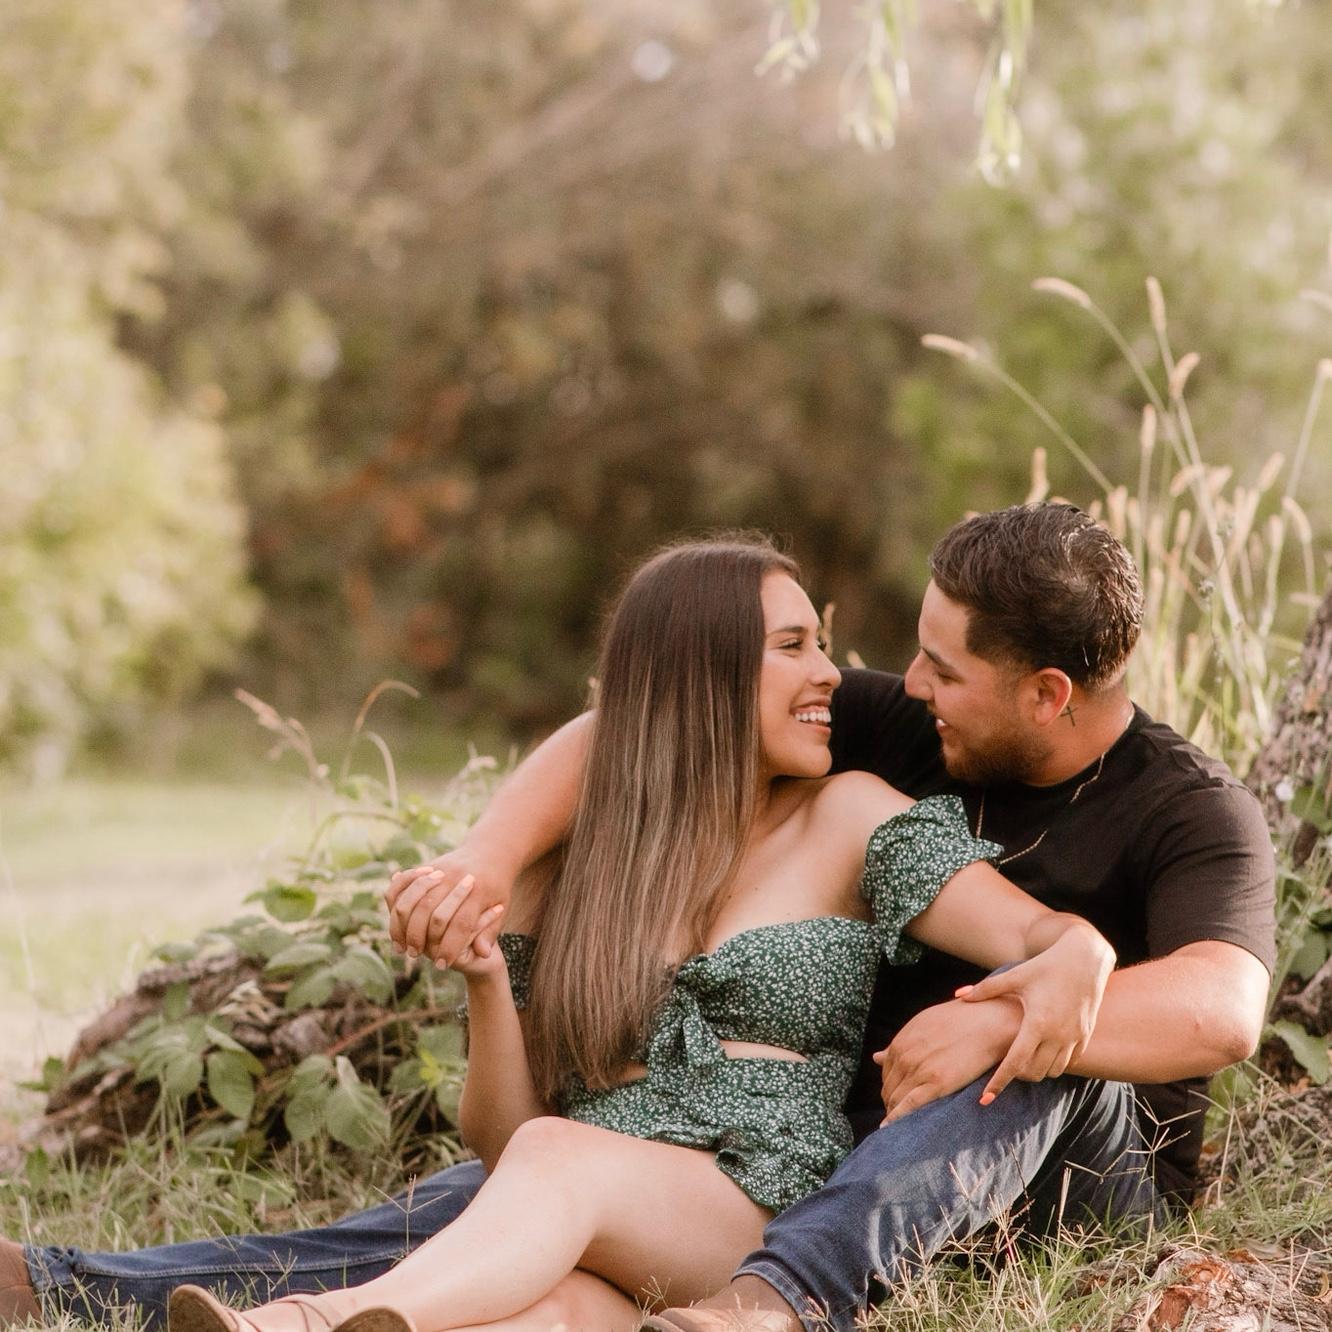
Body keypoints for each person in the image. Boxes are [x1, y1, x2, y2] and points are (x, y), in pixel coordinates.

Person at [1, 505, 1274, 1332]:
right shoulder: (894, 726)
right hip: (847, 1160)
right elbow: (644, 719)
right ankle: (70, 1291)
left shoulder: (1187, 810)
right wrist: (487, 867)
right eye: (911, 654)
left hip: (1070, 1178)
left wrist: (1015, 1004)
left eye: (943, 667)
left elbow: (1220, 1008)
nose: (896, 681)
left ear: (1046, 694)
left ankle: (777, 1303)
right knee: (485, 1220)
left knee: (1043, 1043)